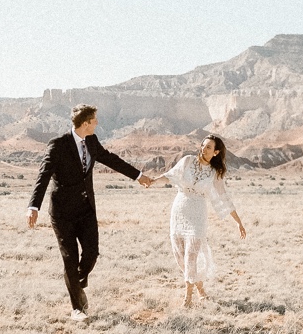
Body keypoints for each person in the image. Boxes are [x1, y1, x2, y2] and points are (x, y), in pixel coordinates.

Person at [28, 104, 153, 319]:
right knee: (70, 258)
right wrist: (33, 206)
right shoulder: (58, 145)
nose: (97, 123)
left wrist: (137, 175)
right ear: (85, 123)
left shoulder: (92, 141)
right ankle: (77, 308)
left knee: (92, 253)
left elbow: (111, 159)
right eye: (94, 120)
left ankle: (77, 282)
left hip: (86, 210)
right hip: (62, 213)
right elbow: (44, 175)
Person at [152, 134, 246, 307]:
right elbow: (170, 175)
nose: (203, 149)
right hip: (179, 210)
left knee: (191, 256)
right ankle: (201, 290)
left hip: (198, 214)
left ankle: (187, 298)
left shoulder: (214, 173)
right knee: (179, 254)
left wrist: (238, 221)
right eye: (203, 145)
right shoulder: (187, 161)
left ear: (216, 152)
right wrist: (153, 181)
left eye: (209, 147)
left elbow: (224, 198)